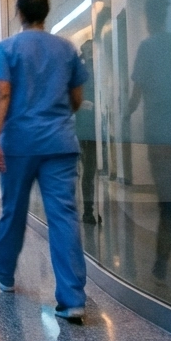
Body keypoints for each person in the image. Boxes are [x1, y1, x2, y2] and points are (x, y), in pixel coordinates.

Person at [0, 0, 89, 322]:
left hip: (20, 144)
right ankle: (72, 298)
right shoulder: (66, 49)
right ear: (45, 12)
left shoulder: (8, 48)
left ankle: (3, 273)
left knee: (13, 212)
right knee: (64, 217)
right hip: (59, 144)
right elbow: (76, 98)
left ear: (19, 13)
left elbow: (2, 93)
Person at [125, 0, 171, 281]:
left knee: (168, 200)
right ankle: (170, 263)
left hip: (159, 132)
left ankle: (164, 262)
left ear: (149, 16)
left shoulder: (147, 48)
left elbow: (135, 97)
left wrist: (122, 119)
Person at [76, 40, 97, 224]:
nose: (91, 53)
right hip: (83, 126)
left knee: (92, 169)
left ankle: (92, 208)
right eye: (88, 50)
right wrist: (81, 104)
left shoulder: (100, 67)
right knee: (88, 170)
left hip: (98, 124)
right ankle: (88, 210)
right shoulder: (79, 71)